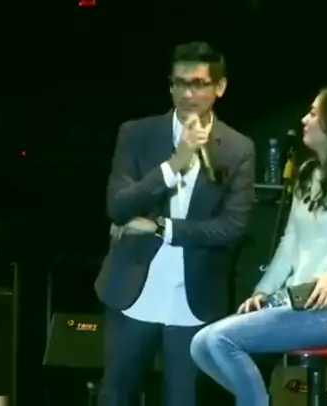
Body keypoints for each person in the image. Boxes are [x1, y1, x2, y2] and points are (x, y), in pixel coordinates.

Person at [190, 84, 327, 406]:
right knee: (202, 345)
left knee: (219, 340)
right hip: (297, 303)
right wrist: (263, 291)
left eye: (313, 113)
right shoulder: (308, 176)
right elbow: (290, 241)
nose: (304, 119)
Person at [94, 41, 256, 406]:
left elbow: (231, 228)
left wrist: (161, 227)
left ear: (219, 87)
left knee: (183, 399)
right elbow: (118, 206)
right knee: (115, 395)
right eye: (179, 83)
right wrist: (174, 165)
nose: (187, 94)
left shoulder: (237, 148)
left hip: (195, 298)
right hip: (132, 289)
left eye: (198, 83)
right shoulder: (137, 134)